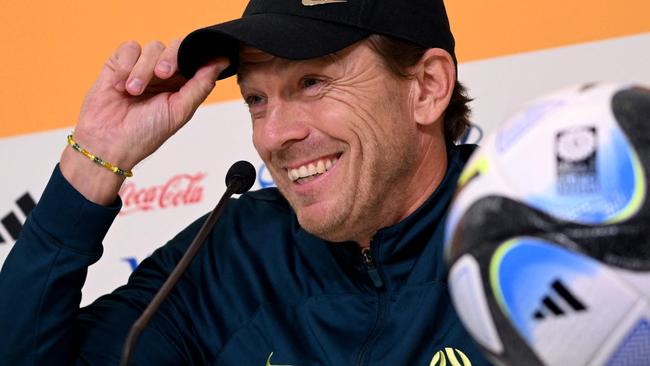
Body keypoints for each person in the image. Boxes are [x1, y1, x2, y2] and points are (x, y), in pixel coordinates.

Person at [0, 0, 492, 365]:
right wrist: (95, 159)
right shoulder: (231, 254)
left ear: (427, 88)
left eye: (312, 83)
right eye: (256, 99)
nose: (274, 135)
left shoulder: (535, 230)